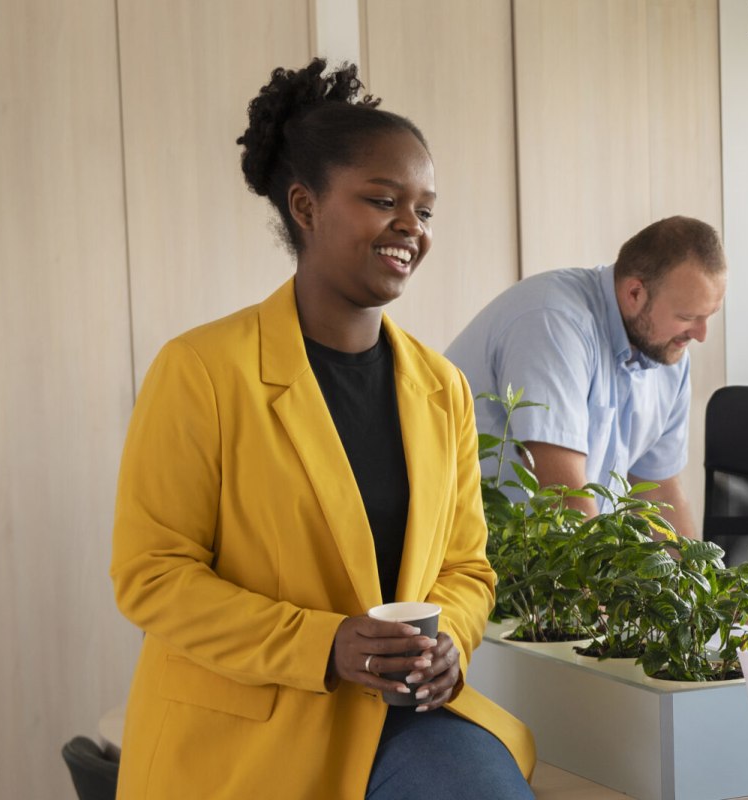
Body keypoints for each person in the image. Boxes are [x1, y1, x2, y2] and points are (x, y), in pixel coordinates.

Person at [109, 59, 534, 799]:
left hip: (404, 719)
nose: (411, 227)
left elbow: (466, 569)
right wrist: (325, 643)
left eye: (425, 210)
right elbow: (153, 576)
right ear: (305, 207)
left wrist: (450, 645)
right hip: (254, 732)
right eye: (382, 200)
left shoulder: (443, 389)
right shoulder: (202, 370)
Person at [444, 217, 725, 539]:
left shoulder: (669, 352)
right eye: (687, 317)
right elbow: (563, 494)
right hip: (469, 552)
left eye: (709, 316)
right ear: (635, 293)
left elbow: (659, 493)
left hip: (545, 555)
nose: (701, 335)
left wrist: (698, 581)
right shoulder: (552, 319)